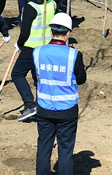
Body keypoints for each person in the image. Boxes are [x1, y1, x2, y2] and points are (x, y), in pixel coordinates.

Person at [34, 13, 86, 175]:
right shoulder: (74, 55)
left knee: (44, 147)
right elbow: (81, 79)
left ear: (51, 31)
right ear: (68, 33)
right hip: (67, 110)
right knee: (65, 150)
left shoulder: (37, 52)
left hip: (44, 107)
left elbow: (36, 77)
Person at [13, 0, 57, 122]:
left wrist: (19, 44)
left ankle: (30, 105)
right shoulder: (51, 3)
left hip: (31, 48)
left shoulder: (30, 7)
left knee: (17, 74)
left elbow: (25, 31)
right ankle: (42, 106)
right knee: (39, 77)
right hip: (47, 47)